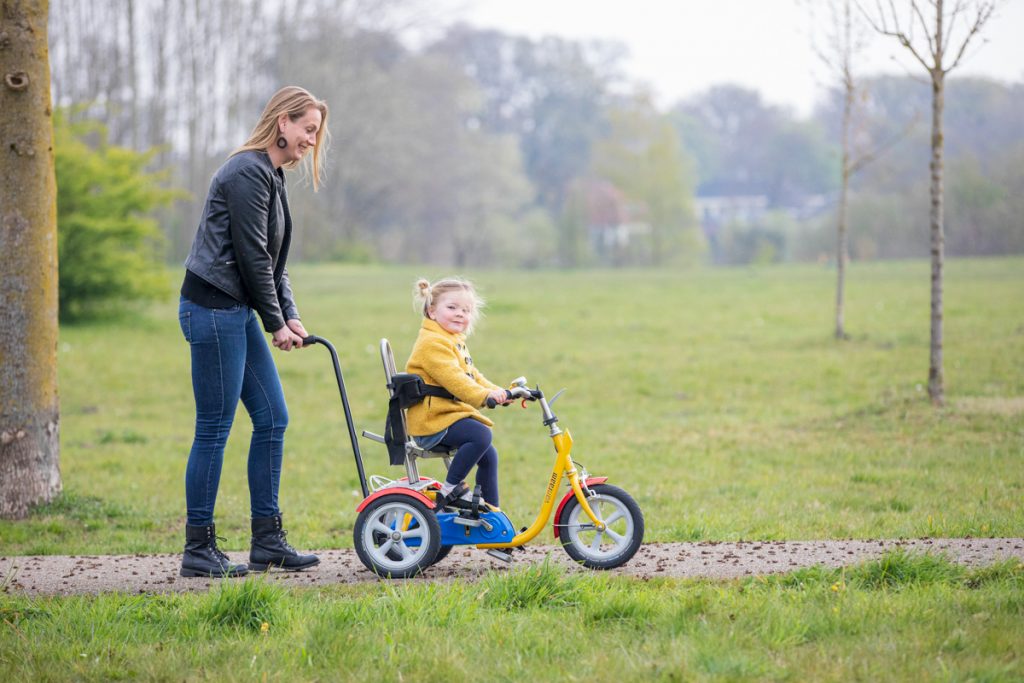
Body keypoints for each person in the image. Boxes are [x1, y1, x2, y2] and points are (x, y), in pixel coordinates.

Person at [177, 86, 328, 577]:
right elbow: (250, 256)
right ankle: (198, 549)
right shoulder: (247, 171)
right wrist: (274, 324)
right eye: (307, 129)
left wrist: (291, 315)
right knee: (214, 428)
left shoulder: (272, 174)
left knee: (272, 418)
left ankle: (267, 541)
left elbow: (274, 261)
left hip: (238, 310)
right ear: (282, 122)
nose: (310, 140)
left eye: (315, 133)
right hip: (214, 309)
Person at [405, 277, 511, 509]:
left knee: (488, 455)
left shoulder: (452, 340)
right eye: (452, 308)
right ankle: (451, 488)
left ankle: (490, 513)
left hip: (445, 416)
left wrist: (499, 391)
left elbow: (472, 375)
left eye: (466, 310)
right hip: (431, 422)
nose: (460, 314)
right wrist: (483, 397)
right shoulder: (432, 343)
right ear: (432, 311)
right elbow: (456, 380)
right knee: (480, 435)